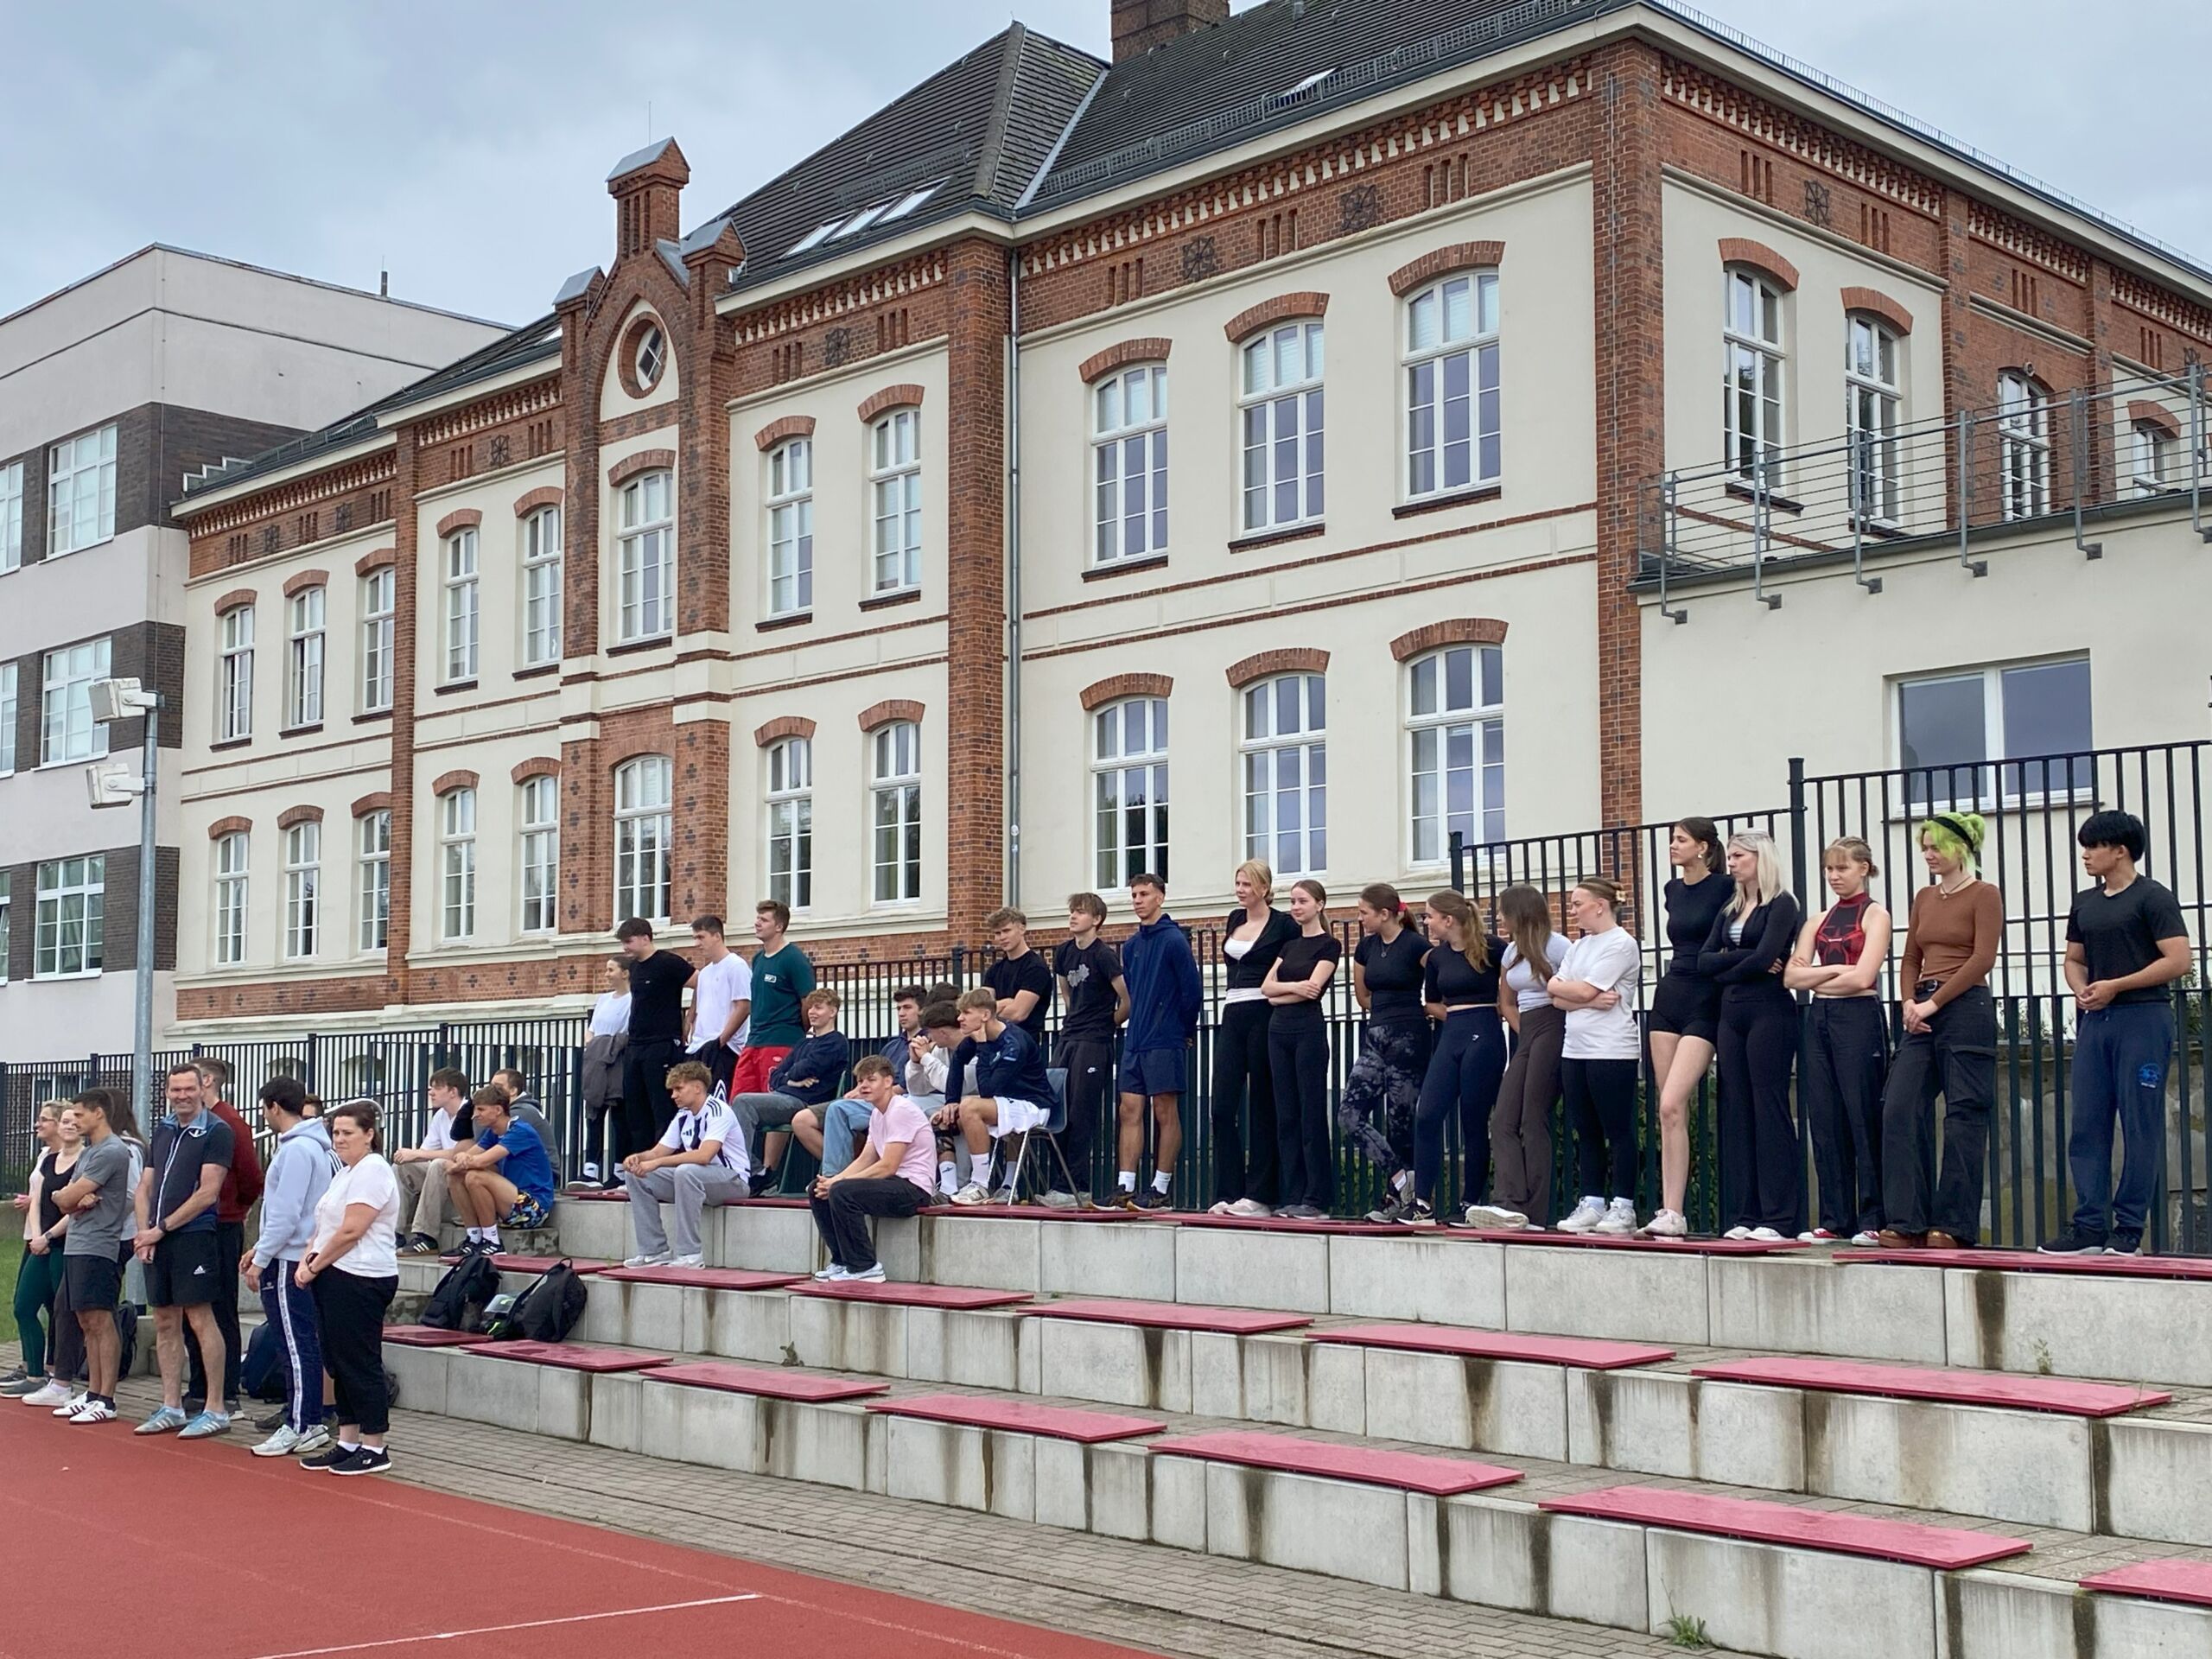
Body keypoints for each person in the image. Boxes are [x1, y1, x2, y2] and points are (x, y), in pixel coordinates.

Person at [2044, 810, 2192, 1255]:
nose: (2086, 855)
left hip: (2143, 1018)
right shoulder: (2084, 903)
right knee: (2087, 1123)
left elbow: (2178, 960)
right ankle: (2089, 1226)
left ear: (2121, 850)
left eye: (2094, 846)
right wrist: (2082, 989)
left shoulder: (2154, 897)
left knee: (2139, 1123)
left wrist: (2116, 985)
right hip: (2097, 1022)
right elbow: (2074, 959)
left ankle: (2128, 1228)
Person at [1878, 813, 2002, 1250]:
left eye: (1936, 847)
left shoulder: (1985, 894)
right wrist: (1908, 1001)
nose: (1928, 855)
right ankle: (1906, 1219)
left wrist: (1934, 1002)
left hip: (1965, 1007)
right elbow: (1911, 955)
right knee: (1899, 1105)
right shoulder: (1925, 897)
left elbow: (1982, 958)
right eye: (1925, 848)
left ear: (1960, 848)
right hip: (1922, 1008)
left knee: (1964, 1114)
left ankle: (1952, 1224)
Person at [1786, 838, 1892, 1245]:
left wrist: (1817, 976)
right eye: (1829, 869)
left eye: (1842, 868)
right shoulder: (1817, 920)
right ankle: (1835, 1217)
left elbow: (1864, 976)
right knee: (1826, 1118)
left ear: (1864, 868)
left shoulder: (1876, 915)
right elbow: (1791, 977)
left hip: (1859, 1016)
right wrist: (1834, 975)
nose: (1834, 876)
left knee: (1862, 1114)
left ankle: (1874, 1216)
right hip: (1821, 1018)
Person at [1700, 830, 1805, 1243]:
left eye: (1739, 856)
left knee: (1768, 1106)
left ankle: (1779, 1217)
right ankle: (1744, 1213)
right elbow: (1705, 960)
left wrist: (1731, 963)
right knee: (1737, 1109)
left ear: (1761, 858)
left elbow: (1768, 958)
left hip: (1769, 1012)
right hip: (1731, 1012)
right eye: (1731, 856)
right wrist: (1744, 961)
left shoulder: (1782, 904)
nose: (1731, 863)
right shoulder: (1730, 908)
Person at [296, 1100, 402, 1474]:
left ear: (369, 1134)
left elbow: (352, 1230)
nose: (339, 1139)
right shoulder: (346, 1172)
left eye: (347, 1133)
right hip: (335, 1274)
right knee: (338, 1360)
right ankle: (348, 1440)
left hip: (362, 1276)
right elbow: (324, 1226)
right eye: (336, 1133)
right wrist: (308, 1258)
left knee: (359, 1361)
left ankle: (375, 1446)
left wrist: (313, 1266)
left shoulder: (373, 1170)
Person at [133, 1062, 235, 1440]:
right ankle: (171, 1405)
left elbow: (208, 1192)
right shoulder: (162, 1129)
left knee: (200, 1318)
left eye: (189, 1089)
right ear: (167, 1092)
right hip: (157, 1238)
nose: (182, 1096)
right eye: (175, 1090)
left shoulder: (217, 1131)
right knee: (164, 1319)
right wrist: (145, 1234)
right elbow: (144, 1187)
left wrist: (161, 1229)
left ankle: (216, 1408)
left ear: (201, 1089)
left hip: (193, 1236)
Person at [245, 1076, 338, 1459]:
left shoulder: (297, 1150)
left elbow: (286, 1214)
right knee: (299, 1342)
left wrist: (261, 1258)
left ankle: (301, 1423)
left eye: (264, 1109)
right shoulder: (311, 1147)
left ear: (273, 1107)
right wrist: (260, 1250)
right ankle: (308, 1420)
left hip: (290, 1258)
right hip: (296, 1254)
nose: (264, 1116)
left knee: (295, 1344)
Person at [1401, 889, 1506, 1228]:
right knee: (1427, 1114)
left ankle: (1470, 1203)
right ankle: (1422, 1202)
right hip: (1452, 1034)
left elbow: (1512, 988)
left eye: (1430, 916)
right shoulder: (1436, 957)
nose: (1426, 922)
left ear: (1448, 919)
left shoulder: (1492, 948)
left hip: (1484, 1034)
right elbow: (1432, 1001)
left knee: (1474, 1120)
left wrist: (1500, 1012)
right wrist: (1455, 1016)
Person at [1646, 819, 1729, 1241]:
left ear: (1703, 847)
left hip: (1705, 995)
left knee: (1673, 1101)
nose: (1673, 846)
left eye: (1680, 840)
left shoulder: (1725, 887)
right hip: (1670, 993)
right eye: (1672, 840)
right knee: (1669, 1111)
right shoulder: (1672, 890)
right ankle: (1672, 1211)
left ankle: (1679, 1209)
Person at [1552, 877, 1645, 1235]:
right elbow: (1555, 993)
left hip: (1610, 1048)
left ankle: (1623, 1205)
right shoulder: (1578, 947)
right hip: (1574, 1047)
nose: (1573, 910)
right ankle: (1592, 1201)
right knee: (1586, 1128)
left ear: (1600, 906)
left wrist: (1578, 994)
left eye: (1578, 903)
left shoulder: (1621, 944)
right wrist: (1586, 999)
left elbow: (1582, 989)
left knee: (1617, 1128)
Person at [1473, 885, 1566, 1230]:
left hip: (1555, 1023)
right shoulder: (1511, 951)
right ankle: (1509, 1203)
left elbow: (1570, 991)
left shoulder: (1558, 946)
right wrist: (1523, 1031)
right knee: (1503, 1119)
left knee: (1532, 1117)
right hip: (1526, 1029)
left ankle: (1537, 1212)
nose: (1499, 917)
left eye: (1504, 910)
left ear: (1521, 913)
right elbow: (1507, 1002)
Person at [1208, 862, 1297, 1217]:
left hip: (1264, 1010)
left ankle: (1261, 1194)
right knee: (1221, 1106)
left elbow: (1293, 963)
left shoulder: (1283, 924)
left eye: (1247, 884)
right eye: (1238, 883)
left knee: (1262, 1102)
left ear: (1263, 888)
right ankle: (1228, 1190)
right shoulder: (1235, 919)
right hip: (1233, 1011)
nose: (1240, 889)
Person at [44, 1093, 135, 1424]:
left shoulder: (112, 1150)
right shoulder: (89, 1152)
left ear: (99, 1113)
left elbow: (68, 1195)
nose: (75, 1121)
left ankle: (106, 1398)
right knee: (85, 1320)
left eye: (80, 1115)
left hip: (99, 1245)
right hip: (78, 1243)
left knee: (100, 1319)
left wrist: (69, 1197)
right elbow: (62, 1198)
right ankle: (93, 1393)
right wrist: (68, 1197)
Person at [1342, 885, 1430, 1221]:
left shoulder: (1415, 945)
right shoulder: (1366, 947)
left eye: (1364, 912)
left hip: (1409, 1037)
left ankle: (1400, 1202)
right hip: (1376, 1035)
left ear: (1384, 913)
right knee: (1349, 1115)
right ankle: (1400, 1177)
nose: (1359, 918)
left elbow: (1439, 977)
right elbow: (1362, 995)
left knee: (1400, 1121)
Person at [181, 1058, 262, 1426]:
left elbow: (251, 1176)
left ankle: (226, 1392)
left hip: (220, 1224)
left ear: (208, 1081)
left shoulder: (229, 1122)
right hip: (190, 1225)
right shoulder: (188, 1124)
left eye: (191, 1083)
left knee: (219, 1308)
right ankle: (199, 1386)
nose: (183, 1093)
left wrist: (233, 1208)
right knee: (192, 1308)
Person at [809, 1057, 936, 1283]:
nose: (864, 1086)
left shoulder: (901, 1110)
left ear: (888, 1082)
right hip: (892, 1183)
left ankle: (865, 1266)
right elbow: (866, 1158)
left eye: (871, 1080)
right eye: (860, 1081)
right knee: (818, 1189)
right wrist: (833, 1180)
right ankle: (841, 1261)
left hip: (913, 1189)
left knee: (842, 1191)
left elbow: (888, 1165)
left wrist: (839, 1184)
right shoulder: (878, 1113)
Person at [1116, 873, 1200, 1209]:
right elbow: (1133, 992)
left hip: (1165, 1037)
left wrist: (1183, 1030)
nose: (1138, 900)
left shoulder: (1174, 940)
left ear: (1160, 898)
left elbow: (1191, 991)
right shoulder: (1131, 946)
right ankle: (1125, 1185)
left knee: (1164, 1109)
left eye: (1144, 894)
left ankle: (1160, 1186)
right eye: (1134, 895)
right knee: (1128, 1109)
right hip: (1135, 1038)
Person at [1261, 880, 1344, 1220]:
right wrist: (1293, 988)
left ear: (1319, 904)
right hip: (1278, 1030)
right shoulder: (1289, 945)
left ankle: (1315, 1197)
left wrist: (1284, 992)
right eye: (1293, 901)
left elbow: (1315, 989)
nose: (1296, 907)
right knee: (1287, 1115)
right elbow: (1267, 988)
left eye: (1302, 901)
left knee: (1311, 1113)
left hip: (1307, 1030)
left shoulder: (1329, 945)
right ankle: (1292, 1193)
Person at [622, 1061, 749, 1268]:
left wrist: (657, 1163)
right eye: (672, 1090)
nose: (673, 1095)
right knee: (636, 1176)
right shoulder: (683, 1115)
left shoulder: (718, 1110)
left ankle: (690, 1254)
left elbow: (705, 1156)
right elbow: (657, 1152)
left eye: (679, 1089)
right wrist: (638, 1158)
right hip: (698, 1179)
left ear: (697, 1087)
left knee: (686, 1171)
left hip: (733, 1181)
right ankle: (654, 1251)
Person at [937, 988, 1058, 1205]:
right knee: (944, 1115)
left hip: (1034, 1106)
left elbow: (988, 1091)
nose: (960, 1018)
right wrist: (951, 1101)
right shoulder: (976, 1037)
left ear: (985, 1015)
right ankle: (947, 1188)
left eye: (966, 1012)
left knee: (970, 1107)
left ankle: (980, 1184)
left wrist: (982, 1047)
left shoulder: (1013, 1044)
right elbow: (958, 1062)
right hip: (1007, 1103)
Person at [797, 984, 925, 1178]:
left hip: (899, 1102)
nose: (901, 1013)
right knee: (804, 1119)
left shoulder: (926, 1042)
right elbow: (871, 1074)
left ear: (922, 1010)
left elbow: (910, 1087)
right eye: (898, 1008)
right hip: (873, 1099)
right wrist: (859, 1090)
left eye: (907, 1008)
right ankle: (846, 1175)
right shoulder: (892, 1046)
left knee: (838, 1110)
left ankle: (834, 1177)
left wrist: (867, 1094)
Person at [734, 988, 847, 1194]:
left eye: (818, 1008)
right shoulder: (804, 1043)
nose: (811, 1012)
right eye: (810, 1008)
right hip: (785, 1096)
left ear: (833, 1012)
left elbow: (804, 1069)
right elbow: (776, 1077)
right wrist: (792, 1081)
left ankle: (751, 1171)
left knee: (742, 1101)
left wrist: (790, 1076)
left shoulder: (835, 1042)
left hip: (806, 1103)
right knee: (736, 1107)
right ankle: (754, 1170)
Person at [1052, 894, 1127, 1210]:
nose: (1073, 917)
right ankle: (1061, 1182)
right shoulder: (1063, 952)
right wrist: (1076, 1017)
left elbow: (1126, 998)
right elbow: (1066, 992)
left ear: (1096, 920)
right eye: (1071, 911)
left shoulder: (1104, 956)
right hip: (1069, 1035)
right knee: (1056, 1106)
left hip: (1095, 1040)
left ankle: (1077, 1185)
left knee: (1082, 1111)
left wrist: (1107, 1023)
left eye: (1080, 912)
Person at [4, 1103, 75, 1400]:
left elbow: (75, 1207)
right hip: (38, 1240)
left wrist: (48, 1236)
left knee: (61, 1309)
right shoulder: (46, 1158)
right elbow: (36, 1199)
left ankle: (58, 1374)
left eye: (45, 1119)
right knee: (24, 1305)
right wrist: (37, 1235)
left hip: (62, 1242)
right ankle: (33, 1370)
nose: (38, 1124)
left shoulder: (84, 1159)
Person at [618, 917, 695, 1164]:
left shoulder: (668, 963)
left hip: (661, 1043)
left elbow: (701, 983)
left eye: (629, 941)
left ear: (645, 938)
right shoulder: (635, 968)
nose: (625, 948)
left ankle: (662, 1163)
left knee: (661, 1104)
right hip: (636, 1044)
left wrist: (690, 1017)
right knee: (635, 1107)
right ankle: (640, 1161)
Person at [449, 1086, 557, 1254]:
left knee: (475, 1177)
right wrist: (459, 1161)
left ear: (498, 1110)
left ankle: (492, 1241)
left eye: (481, 1109)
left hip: (533, 1208)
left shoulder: (520, 1131)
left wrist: (461, 1160)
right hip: (510, 1200)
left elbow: (480, 1160)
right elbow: (468, 1155)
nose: (475, 1115)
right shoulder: (493, 1133)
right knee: (455, 1176)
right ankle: (474, 1238)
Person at [734, 899, 816, 1094]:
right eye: (757, 918)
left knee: (771, 1098)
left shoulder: (793, 958)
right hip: (754, 1040)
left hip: (781, 1041)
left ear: (779, 926)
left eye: (764, 920)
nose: (757, 923)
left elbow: (809, 1001)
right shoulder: (758, 959)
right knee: (739, 1099)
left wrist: (798, 1029)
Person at [391, 1068, 473, 1255]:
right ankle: (395, 1232)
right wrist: (409, 1155)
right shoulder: (440, 1116)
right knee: (402, 1167)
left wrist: (417, 1154)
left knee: (438, 1165)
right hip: (443, 1183)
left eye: (437, 1088)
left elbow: (461, 1153)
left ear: (453, 1092)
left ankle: (427, 1237)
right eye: (430, 1088)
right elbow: (426, 1151)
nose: (431, 1092)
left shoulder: (470, 1113)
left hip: (463, 1187)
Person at [577, 957, 632, 1187]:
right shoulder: (603, 999)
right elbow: (591, 1030)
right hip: (596, 1062)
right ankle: (591, 1169)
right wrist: (593, 1045)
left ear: (625, 973)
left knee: (620, 1116)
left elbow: (627, 1032)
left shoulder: (633, 1000)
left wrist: (605, 1045)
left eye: (611, 970)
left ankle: (619, 1170)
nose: (607, 974)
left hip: (617, 1059)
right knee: (594, 1113)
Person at [686, 915, 754, 1095]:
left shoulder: (736, 966)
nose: (697, 943)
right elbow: (701, 1010)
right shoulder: (705, 973)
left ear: (717, 936)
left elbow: (744, 1006)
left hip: (725, 1048)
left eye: (701, 937)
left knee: (719, 1098)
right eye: (695, 938)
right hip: (700, 1047)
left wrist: (721, 1041)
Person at [984, 907, 1054, 1047]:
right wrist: (1005, 1003)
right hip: (996, 1043)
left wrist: (991, 1011)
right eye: (997, 933)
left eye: (1007, 931)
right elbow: (980, 1008)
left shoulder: (1035, 967)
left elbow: (1018, 1014)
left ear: (1022, 929)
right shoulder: (994, 970)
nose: (1002, 937)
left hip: (1025, 1043)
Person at [490, 1068, 559, 1173]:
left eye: (498, 1088)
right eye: (491, 1087)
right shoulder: (521, 1109)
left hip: (542, 1172)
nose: (491, 1092)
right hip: (531, 1167)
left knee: (476, 1173)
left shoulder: (521, 1113)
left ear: (513, 1091)